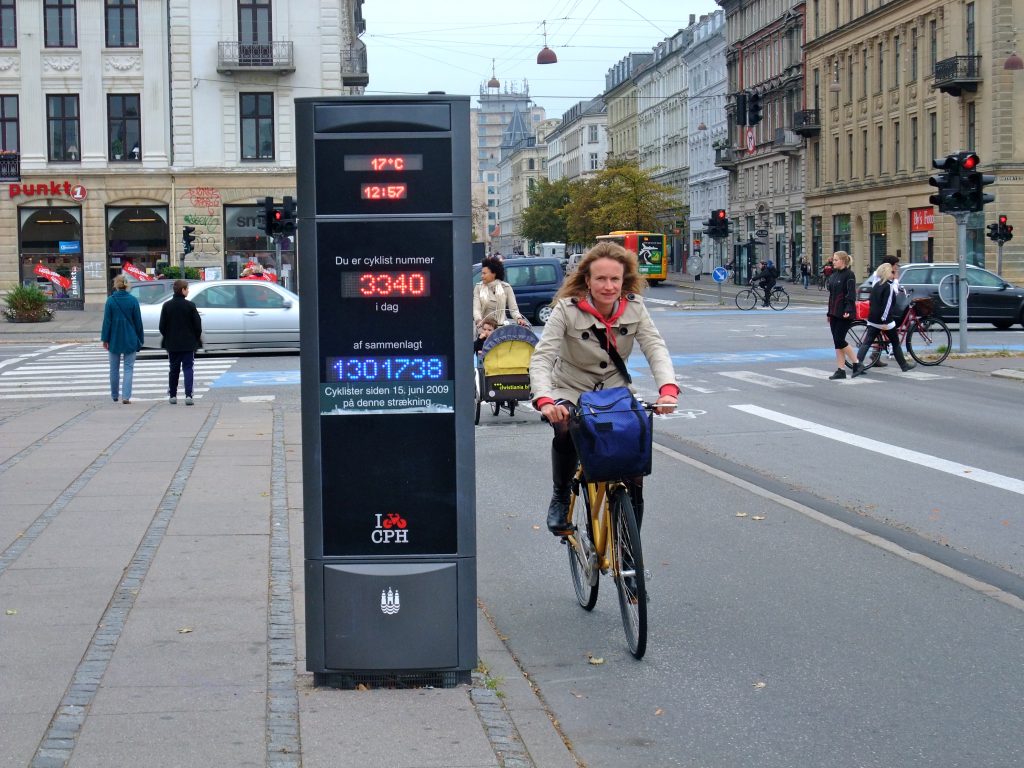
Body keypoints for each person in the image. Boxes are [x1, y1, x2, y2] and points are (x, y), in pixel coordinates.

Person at [529, 242, 680, 535]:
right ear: (588, 280)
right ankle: (560, 496)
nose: (608, 286)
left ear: (624, 281)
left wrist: (668, 389)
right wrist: (546, 400)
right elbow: (543, 357)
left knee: (634, 462)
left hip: (614, 391)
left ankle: (628, 542)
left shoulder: (635, 306)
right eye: (601, 278)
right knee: (565, 428)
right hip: (571, 388)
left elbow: (655, 347)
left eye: (615, 279)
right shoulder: (566, 309)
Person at [851, 263, 915, 377]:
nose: (893, 274)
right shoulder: (888, 287)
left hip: (873, 318)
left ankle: (858, 365)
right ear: (887, 273)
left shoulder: (876, 285)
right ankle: (904, 365)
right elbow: (887, 305)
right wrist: (885, 321)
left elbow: (872, 302)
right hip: (884, 320)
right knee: (895, 342)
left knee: (867, 343)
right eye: (892, 272)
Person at [101, 274, 145, 404]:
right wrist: (140, 339)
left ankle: (114, 395)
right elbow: (138, 322)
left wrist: (105, 339)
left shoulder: (110, 300)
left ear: (115, 285)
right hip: (130, 337)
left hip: (114, 338)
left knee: (114, 368)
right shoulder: (133, 300)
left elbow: (106, 322)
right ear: (126, 285)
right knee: (128, 368)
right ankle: (126, 396)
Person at [159, 279, 203, 405]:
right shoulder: (190, 306)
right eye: (187, 289)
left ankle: (173, 395)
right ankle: (188, 395)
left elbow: (162, 326)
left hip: (172, 344)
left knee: (173, 369)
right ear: (183, 290)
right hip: (188, 343)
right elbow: (197, 326)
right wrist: (195, 338)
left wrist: (168, 336)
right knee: (188, 368)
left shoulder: (167, 305)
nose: (188, 291)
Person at [825, 251, 860, 379]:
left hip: (844, 312)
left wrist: (849, 309)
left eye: (836, 260)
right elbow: (831, 295)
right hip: (834, 312)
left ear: (843, 261)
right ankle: (841, 370)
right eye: (833, 259)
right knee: (837, 342)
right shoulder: (834, 275)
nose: (833, 262)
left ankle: (856, 362)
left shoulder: (849, 275)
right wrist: (829, 312)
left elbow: (850, 294)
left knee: (840, 339)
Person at [862, 255, 900, 367]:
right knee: (887, 335)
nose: (897, 267)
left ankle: (873, 356)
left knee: (875, 336)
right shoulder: (885, 277)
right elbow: (893, 290)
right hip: (881, 312)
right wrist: (896, 280)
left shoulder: (879, 274)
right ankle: (902, 363)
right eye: (896, 265)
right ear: (890, 265)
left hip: (876, 311)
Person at [474, 256, 529, 328]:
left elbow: (513, 309)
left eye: (484, 273)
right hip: (483, 328)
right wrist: (478, 320)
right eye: (482, 273)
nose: (482, 276)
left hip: (501, 328)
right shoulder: (478, 287)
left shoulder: (506, 287)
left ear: (494, 274)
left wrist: (519, 319)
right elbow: (476, 309)